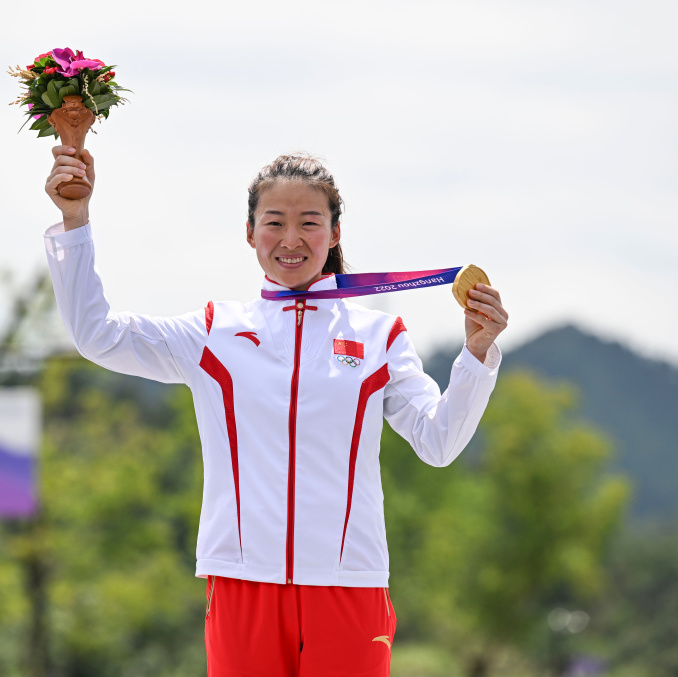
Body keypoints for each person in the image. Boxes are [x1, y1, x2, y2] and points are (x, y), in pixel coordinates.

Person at [42, 146, 508, 677]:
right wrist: (74, 221)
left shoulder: (380, 337)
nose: (291, 239)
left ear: (334, 234)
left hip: (348, 587)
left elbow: (439, 442)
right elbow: (96, 335)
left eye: (309, 222)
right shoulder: (214, 333)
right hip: (242, 584)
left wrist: (476, 355)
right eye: (274, 222)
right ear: (249, 233)